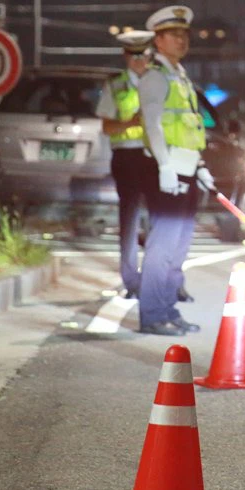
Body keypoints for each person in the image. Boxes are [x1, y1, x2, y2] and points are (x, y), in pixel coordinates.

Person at [136, 5, 213, 336]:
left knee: (178, 246)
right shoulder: (155, 76)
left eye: (184, 35)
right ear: (158, 39)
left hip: (186, 168)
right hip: (165, 171)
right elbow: (152, 124)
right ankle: (152, 315)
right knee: (163, 245)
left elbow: (188, 126)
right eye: (174, 35)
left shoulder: (179, 75)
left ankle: (167, 309)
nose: (182, 41)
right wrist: (165, 165)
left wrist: (200, 166)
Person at [95, 30, 157, 299]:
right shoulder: (116, 85)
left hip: (156, 156)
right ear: (125, 56)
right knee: (130, 219)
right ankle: (131, 281)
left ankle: (157, 278)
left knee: (158, 220)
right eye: (134, 55)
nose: (139, 60)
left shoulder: (160, 82)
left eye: (144, 55)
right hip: (127, 157)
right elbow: (106, 127)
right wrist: (130, 123)